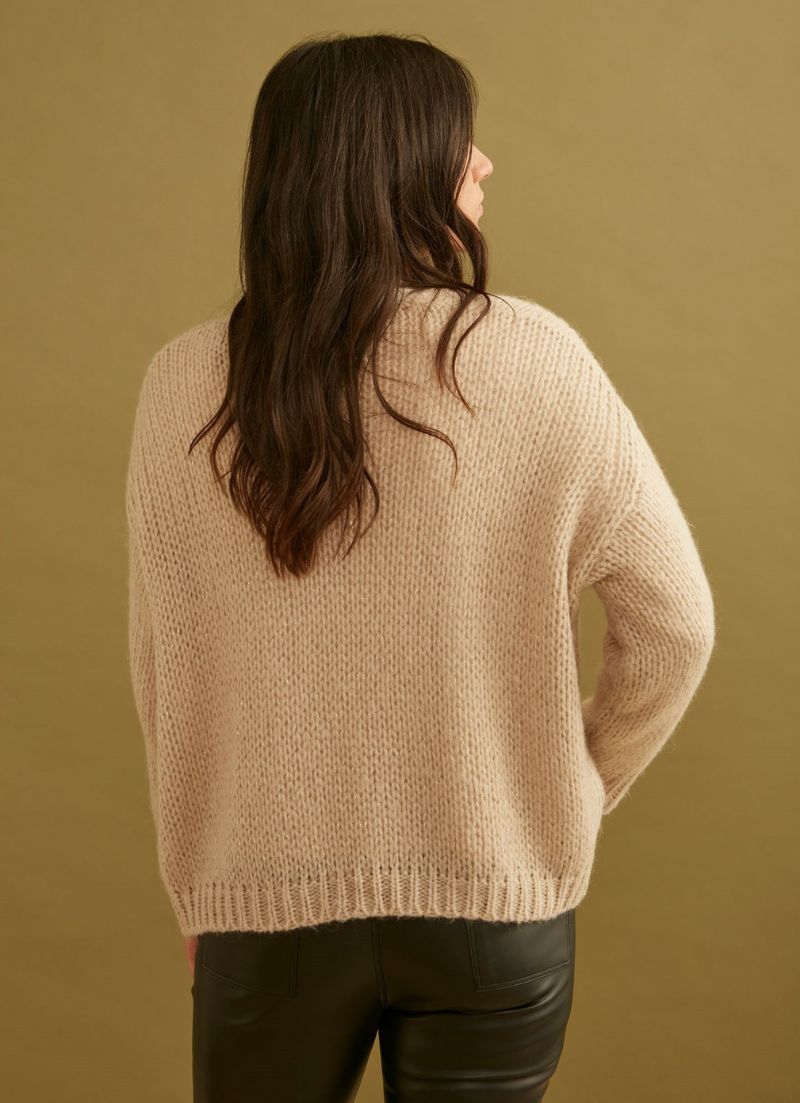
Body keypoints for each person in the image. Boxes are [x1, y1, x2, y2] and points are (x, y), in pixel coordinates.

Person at [125, 31, 716, 1103]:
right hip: (495, 905)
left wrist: (196, 887)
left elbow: (167, 671)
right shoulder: (537, 359)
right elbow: (675, 627)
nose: (482, 161)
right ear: (390, 161)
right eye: (458, 140)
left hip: (263, 904)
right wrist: (568, 789)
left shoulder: (183, 384)